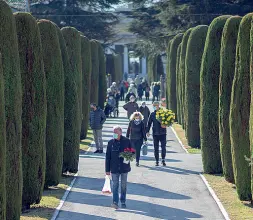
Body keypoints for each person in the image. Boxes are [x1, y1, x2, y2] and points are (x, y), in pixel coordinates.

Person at [105, 126, 132, 209]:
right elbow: (108, 157)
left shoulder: (127, 141)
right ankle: (115, 202)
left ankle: (123, 201)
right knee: (115, 185)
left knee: (123, 185)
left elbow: (132, 152)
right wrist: (107, 170)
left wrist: (128, 157)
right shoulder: (111, 143)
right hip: (114, 168)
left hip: (124, 168)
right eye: (113, 133)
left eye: (116, 132)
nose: (115, 134)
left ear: (120, 132)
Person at [146, 101, 167, 166]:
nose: (155, 106)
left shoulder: (163, 113)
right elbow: (149, 123)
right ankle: (157, 160)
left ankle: (163, 159)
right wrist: (147, 131)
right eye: (154, 105)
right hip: (155, 133)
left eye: (156, 105)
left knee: (163, 147)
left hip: (163, 133)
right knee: (156, 148)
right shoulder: (152, 114)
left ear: (159, 105)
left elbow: (167, 121)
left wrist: (165, 125)